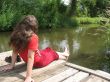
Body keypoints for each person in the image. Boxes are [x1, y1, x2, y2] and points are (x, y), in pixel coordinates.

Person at [2, 15, 69, 82]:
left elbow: (15, 51)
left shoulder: (15, 34)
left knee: (47, 50)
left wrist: (12, 65)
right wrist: (28, 77)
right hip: (39, 62)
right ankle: (65, 56)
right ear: (34, 27)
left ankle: (64, 53)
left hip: (34, 59)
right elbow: (30, 57)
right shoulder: (33, 37)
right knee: (52, 54)